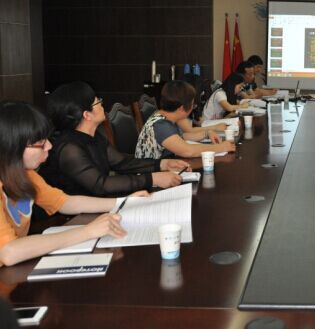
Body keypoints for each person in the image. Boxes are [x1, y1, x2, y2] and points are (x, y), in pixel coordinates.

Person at [0, 100, 135, 267]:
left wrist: (125, 202)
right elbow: (8, 252)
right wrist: (87, 231)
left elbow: (65, 202)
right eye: (41, 143)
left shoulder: (26, 174)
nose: (49, 146)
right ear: (12, 147)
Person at [40, 82, 188, 197]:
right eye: (97, 102)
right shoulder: (68, 148)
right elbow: (101, 184)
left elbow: (122, 162)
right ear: (87, 115)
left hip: (98, 204)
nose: (102, 104)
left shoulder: (93, 136)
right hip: (71, 218)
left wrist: (163, 164)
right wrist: (153, 179)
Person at [135, 81, 235, 159]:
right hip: (151, 174)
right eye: (192, 105)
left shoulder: (164, 115)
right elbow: (188, 151)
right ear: (181, 109)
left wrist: (207, 133)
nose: (193, 107)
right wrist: (221, 147)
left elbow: (180, 138)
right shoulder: (161, 125)